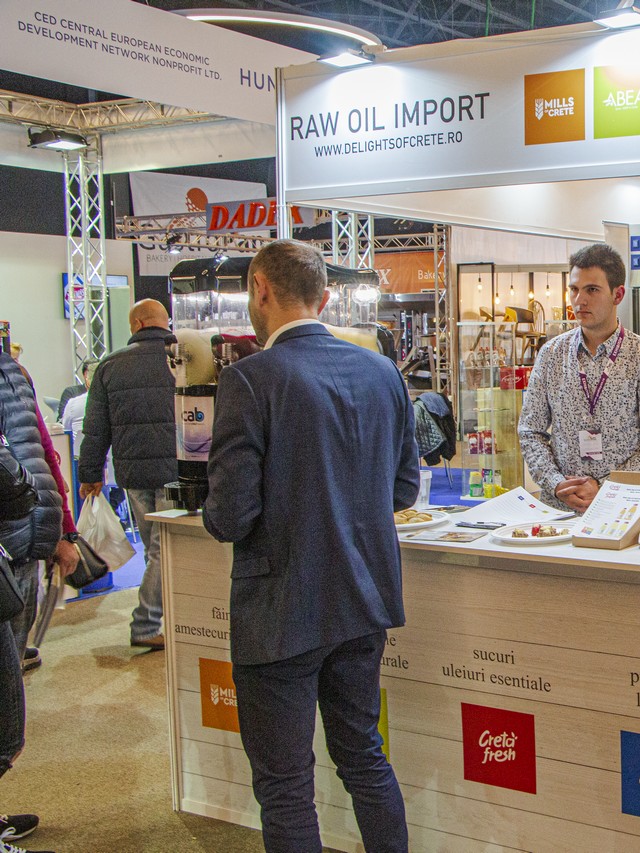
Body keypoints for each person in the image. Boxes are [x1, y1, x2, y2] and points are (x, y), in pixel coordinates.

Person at [203, 239, 417, 853]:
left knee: (285, 784)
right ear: (322, 298)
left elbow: (230, 516)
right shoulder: (381, 371)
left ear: (260, 290)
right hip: (363, 600)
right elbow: (403, 488)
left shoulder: (248, 380)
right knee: (364, 757)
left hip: (280, 611)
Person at [518, 243, 640, 512]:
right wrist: (556, 483)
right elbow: (530, 431)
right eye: (574, 289)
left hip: (622, 510)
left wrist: (606, 486)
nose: (579, 300)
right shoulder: (551, 355)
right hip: (559, 511)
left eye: (592, 290)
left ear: (618, 295)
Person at [0, 344, 78, 853]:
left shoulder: (12, 369)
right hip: (9, 538)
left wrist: (60, 527)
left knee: (9, 686)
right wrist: (23, 491)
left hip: (23, 544)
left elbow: (43, 450)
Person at [78, 299, 176, 651]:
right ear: (164, 323)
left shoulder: (110, 365)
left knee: (155, 550)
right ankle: (146, 624)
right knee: (164, 550)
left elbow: (95, 429)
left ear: (136, 325)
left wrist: (90, 474)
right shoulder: (180, 357)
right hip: (177, 474)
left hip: (134, 474)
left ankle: (159, 622)